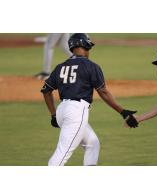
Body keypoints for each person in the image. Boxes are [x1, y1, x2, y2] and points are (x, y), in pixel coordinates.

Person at [40, 33, 138, 166]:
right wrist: (123, 112)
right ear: (84, 45)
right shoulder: (91, 66)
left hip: (61, 111)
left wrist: (53, 114)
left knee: (92, 143)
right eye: (88, 47)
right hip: (76, 112)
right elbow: (103, 92)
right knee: (61, 154)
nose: (89, 50)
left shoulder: (60, 67)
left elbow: (46, 91)